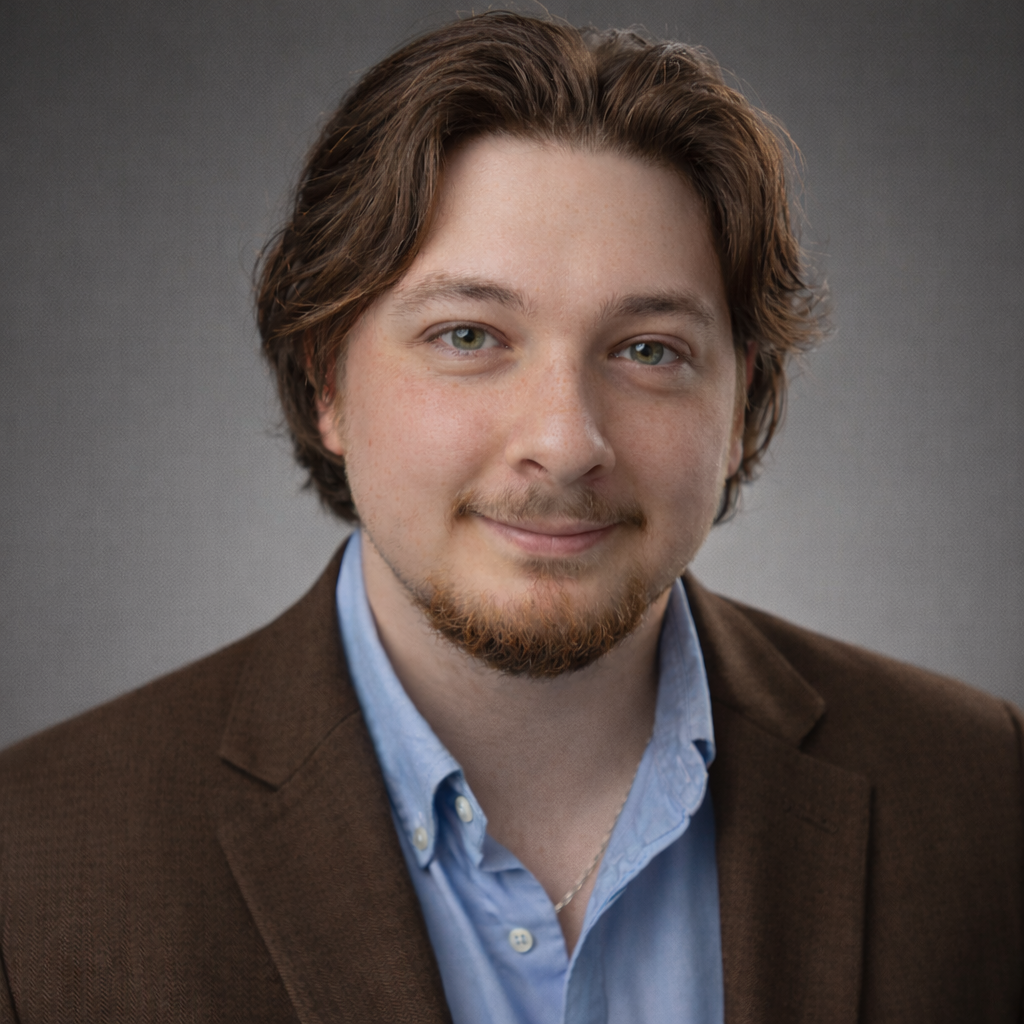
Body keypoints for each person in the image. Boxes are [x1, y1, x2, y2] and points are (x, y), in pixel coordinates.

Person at [0, 12, 1020, 1024]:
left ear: (740, 404)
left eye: (649, 349)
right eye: (468, 335)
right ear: (325, 382)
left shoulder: (984, 792)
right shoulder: (32, 862)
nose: (566, 441)